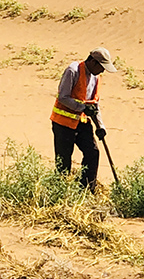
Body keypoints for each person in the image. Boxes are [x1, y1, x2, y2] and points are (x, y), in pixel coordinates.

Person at [50, 47, 118, 192]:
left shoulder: (96, 77)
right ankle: (59, 193)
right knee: (63, 161)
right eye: (101, 67)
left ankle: (86, 190)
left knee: (93, 153)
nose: (102, 71)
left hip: (82, 123)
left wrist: (100, 126)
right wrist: (82, 108)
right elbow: (63, 97)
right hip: (63, 123)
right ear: (93, 62)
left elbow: (94, 104)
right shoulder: (73, 71)